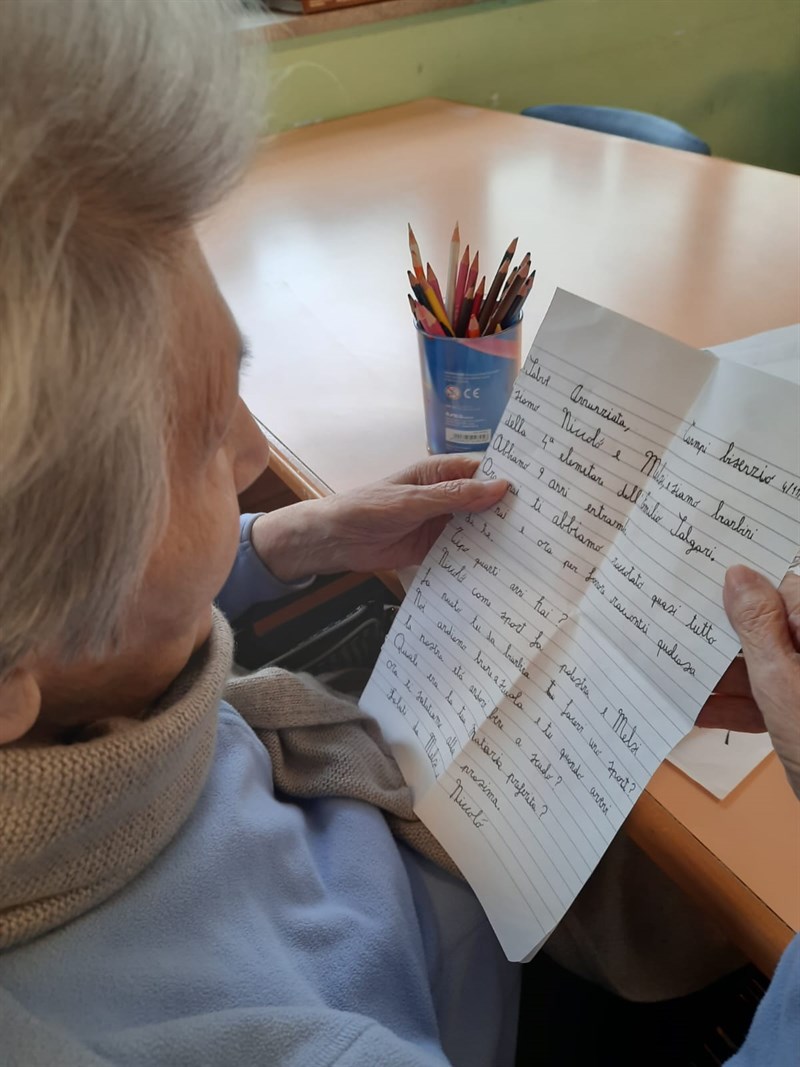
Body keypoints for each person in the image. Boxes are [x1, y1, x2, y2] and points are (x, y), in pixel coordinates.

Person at [0, 2, 797, 1064]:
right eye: (198, 441)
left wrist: (286, 542)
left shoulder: (59, 691)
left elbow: (76, 635)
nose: (254, 452)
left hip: (426, 841)